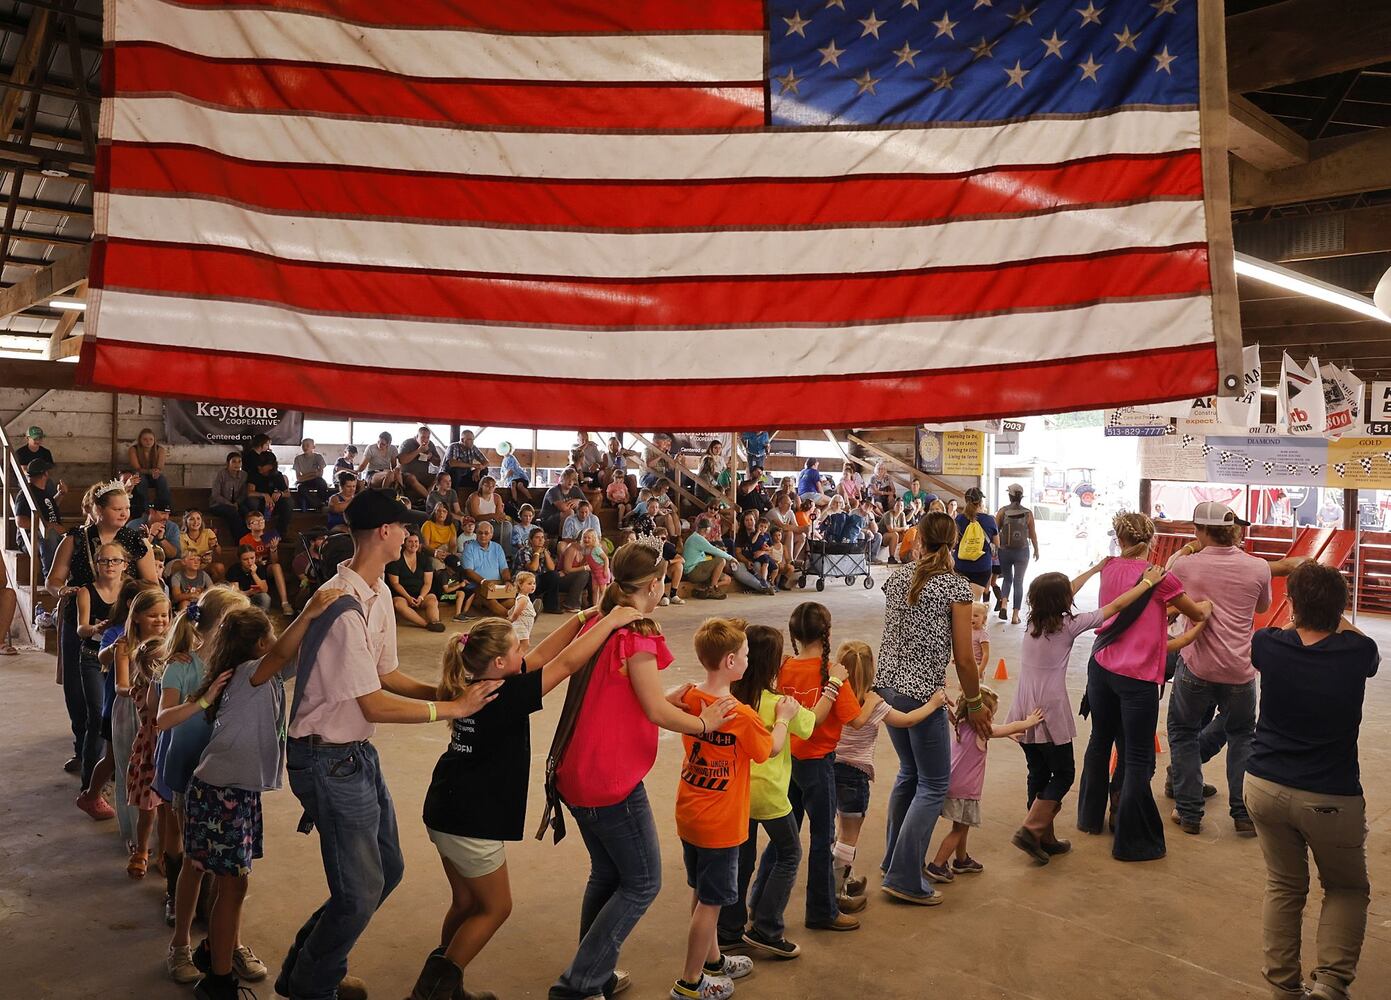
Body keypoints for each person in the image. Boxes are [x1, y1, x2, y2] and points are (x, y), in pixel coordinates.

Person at [277, 489, 500, 1000]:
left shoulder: (376, 596)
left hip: (354, 754)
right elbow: (372, 704)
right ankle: (314, 984)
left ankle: (306, 969)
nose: (409, 535)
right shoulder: (345, 607)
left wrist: (443, 692)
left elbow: (388, 674)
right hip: (327, 756)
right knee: (358, 895)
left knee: (386, 871)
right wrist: (452, 709)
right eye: (403, 527)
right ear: (383, 532)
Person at [408, 606, 642, 1000]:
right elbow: (565, 662)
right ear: (500, 661)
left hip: (443, 809)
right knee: (496, 907)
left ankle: (448, 986)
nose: (525, 652)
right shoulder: (508, 695)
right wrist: (610, 623)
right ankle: (431, 994)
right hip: (471, 820)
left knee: (466, 902)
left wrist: (583, 616)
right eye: (518, 648)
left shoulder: (475, 680)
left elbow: (542, 656)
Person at [542, 543, 738, 1000]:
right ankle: (579, 984)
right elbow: (655, 711)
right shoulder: (639, 632)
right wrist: (703, 724)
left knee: (608, 875)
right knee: (645, 881)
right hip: (609, 779)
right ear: (654, 584)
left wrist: (670, 699)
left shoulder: (600, 619)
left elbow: (628, 696)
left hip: (576, 769)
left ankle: (594, 972)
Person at [183, 590, 345, 1000]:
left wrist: (324, 620)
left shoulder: (262, 675)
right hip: (222, 795)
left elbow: (296, 654)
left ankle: (213, 951)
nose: (277, 646)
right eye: (272, 638)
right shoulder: (249, 674)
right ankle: (218, 981)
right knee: (233, 887)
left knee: (233, 886)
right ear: (258, 646)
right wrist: (309, 611)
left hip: (236, 793)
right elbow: (284, 652)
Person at [1245, 563, 1377, 1000]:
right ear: (1341, 607)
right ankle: (1330, 984)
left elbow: (1283, 630)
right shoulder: (1358, 653)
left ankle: (1284, 986)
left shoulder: (1268, 643)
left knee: (1284, 884)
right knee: (1345, 888)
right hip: (1330, 795)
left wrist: (1301, 612)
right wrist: (1331, 610)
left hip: (1263, 784)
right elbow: (1358, 640)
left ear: (1294, 605)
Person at [1006, 564, 1165, 864]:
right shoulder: (1069, 625)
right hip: (1049, 710)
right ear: (1064, 602)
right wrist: (1146, 582)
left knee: (1038, 773)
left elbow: (1062, 591)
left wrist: (1095, 570)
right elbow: (1116, 606)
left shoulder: (1031, 622)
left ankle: (1043, 837)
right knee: (1064, 773)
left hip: (1023, 707)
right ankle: (1031, 829)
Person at [1077, 512, 1211, 861]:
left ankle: (1089, 818)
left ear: (1118, 539)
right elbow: (1193, 614)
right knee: (1138, 756)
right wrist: (1204, 612)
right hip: (1136, 676)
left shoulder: (1108, 569)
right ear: (1150, 540)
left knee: (1100, 740)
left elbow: (1128, 607)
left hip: (1102, 664)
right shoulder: (1159, 578)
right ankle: (1131, 837)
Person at [875, 511, 991, 905]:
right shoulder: (956, 589)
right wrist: (974, 702)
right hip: (922, 695)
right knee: (934, 783)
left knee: (910, 773)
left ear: (918, 539)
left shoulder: (897, 580)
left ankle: (894, 861)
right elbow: (964, 658)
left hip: (887, 690)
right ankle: (905, 876)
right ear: (953, 543)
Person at [670, 618, 772, 1000]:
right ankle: (690, 983)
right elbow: (768, 751)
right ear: (730, 661)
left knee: (701, 893)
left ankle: (712, 962)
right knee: (710, 904)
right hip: (720, 824)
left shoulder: (688, 697)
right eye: (744, 655)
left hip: (690, 812)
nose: (748, 659)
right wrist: (784, 721)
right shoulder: (740, 714)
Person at [156, 586, 253, 985]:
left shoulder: (245, 666)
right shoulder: (181, 665)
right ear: (216, 627)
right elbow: (163, 719)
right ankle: (179, 944)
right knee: (197, 863)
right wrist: (204, 697)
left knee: (233, 869)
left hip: (230, 776)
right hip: (190, 775)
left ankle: (228, 943)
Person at [717, 624, 826, 960]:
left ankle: (728, 930)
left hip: (737, 792)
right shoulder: (781, 704)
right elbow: (810, 726)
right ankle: (766, 926)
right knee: (790, 853)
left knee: (742, 859)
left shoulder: (729, 698)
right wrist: (833, 685)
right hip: (770, 795)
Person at [1166, 501, 1272, 837]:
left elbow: (1166, 587)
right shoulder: (1258, 567)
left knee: (1182, 734)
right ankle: (1242, 815)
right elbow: (1263, 606)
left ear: (1199, 532)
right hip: (1240, 669)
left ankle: (1189, 812)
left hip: (1197, 667)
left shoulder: (1186, 567)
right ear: (1233, 531)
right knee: (1242, 737)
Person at [47, 480, 158, 783]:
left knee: (118, 688)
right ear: (99, 510)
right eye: (117, 508)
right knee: (77, 689)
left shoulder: (136, 541)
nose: (124, 513)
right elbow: (53, 579)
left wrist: (131, 595)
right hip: (79, 622)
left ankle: (114, 753)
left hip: (121, 624)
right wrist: (63, 591)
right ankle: (84, 749)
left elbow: (152, 583)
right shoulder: (74, 538)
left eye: (127, 508)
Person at [776, 602, 865, 930]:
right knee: (822, 837)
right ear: (827, 632)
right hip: (817, 762)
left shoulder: (784, 666)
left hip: (789, 759)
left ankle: (762, 903)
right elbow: (854, 720)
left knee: (783, 835)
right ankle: (822, 910)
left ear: (794, 633)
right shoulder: (832, 673)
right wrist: (873, 701)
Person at [833, 641, 944, 900]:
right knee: (849, 835)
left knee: (839, 827)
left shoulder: (834, 697)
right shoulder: (875, 702)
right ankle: (837, 890)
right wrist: (933, 703)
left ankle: (841, 878)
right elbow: (908, 720)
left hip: (830, 768)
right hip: (855, 775)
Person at [924, 689, 1043, 883]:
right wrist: (1029, 722)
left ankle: (961, 860)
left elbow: (998, 729)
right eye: (991, 715)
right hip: (966, 791)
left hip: (950, 784)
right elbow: (1009, 726)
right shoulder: (983, 731)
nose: (992, 720)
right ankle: (937, 865)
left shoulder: (959, 724)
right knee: (959, 830)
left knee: (962, 825)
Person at [112, 587, 173, 876]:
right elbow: (120, 685)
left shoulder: (174, 645)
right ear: (136, 616)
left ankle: (163, 851)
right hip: (139, 722)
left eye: (165, 615)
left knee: (167, 804)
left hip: (167, 730)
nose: (161, 620)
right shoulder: (126, 645)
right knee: (147, 801)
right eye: (153, 615)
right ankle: (141, 848)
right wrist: (145, 687)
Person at [994, 483, 1040, 624]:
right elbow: (1032, 534)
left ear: (1009, 496)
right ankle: (1015, 616)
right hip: (1022, 551)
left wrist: (996, 549)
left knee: (1007, 579)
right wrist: (1037, 549)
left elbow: (995, 531)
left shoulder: (1002, 511)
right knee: (1018, 582)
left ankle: (1003, 605)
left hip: (1005, 551)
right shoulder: (1028, 513)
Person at [15, 457, 64, 575]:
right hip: (30, 537)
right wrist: (49, 526)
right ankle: (50, 577)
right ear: (45, 474)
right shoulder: (25, 493)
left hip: (51, 532)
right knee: (49, 535)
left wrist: (61, 494)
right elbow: (20, 521)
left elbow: (49, 507)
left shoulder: (44, 492)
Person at [387, 532, 444, 631]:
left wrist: (421, 597)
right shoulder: (395, 560)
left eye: (416, 541)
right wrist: (408, 598)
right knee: (398, 604)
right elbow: (395, 583)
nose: (414, 544)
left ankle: (435, 622)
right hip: (402, 594)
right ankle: (426, 625)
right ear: (404, 543)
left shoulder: (424, 559)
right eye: (410, 541)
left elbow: (428, 583)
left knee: (432, 600)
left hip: (421, 593)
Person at [239, 510, 293, 615]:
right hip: (253, 568)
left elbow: (274, 561)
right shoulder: (245, 540)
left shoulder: (270, 536)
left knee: (276, 566)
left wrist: (273, 549)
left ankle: (285, 603)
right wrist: (257, 561)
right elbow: (244, 559)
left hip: (266, 567)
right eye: (256, 521)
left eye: (262, 520)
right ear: (249, 526)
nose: (260, 522)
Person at [458, 520, 513, 618]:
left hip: (498, 584)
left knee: (511, 600)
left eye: (486, 533)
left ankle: (490, 614)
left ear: (491, 535)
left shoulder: (497, 547)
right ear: (476, 534)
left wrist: (507, 581)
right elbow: (468, 571)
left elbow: (504, 569)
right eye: (480, 533)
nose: (483, 535)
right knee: (489, 599)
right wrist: (484, 582)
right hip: (478, 585)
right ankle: (511, 617)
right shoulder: (469, 547)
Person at [952, 487, 998, 600]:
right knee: (975, 602)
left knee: (960, 601)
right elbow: (997, 545)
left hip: (960, 566)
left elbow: (953, 542)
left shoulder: (959, 519)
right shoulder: (990, 520)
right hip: (981, 567)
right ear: (981, 502)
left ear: (966, 501)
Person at [247, 451, 294, 539]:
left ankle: (279, 534)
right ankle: (256, 534)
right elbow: (250, 492)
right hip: (259, 504)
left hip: (274, 505)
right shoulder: (254, 474)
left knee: (289, 503)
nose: (259, 467)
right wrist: (264, 495)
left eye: (262, 465)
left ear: (270, 466)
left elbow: (288, 493)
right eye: (259, 465)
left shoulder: (277, 475)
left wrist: (280, 494)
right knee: (252, 501)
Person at [127, 427, 173, 516]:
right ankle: (145, 508)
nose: (148, 442)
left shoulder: (160, 449)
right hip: (141, 474)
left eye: (151, 439)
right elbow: (137, 468)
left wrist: (156, 471)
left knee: (162, 479)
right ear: (140, 440)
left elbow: (160, 467)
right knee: (141, 479)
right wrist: (150, 471)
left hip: (154, 475)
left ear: (154, 440)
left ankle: (164, 507)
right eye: (145, 439)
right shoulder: (133, 449)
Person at [208, 452, 253, 540]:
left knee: (246, 512)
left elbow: (243, 493)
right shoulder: (221, 474)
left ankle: (250, 538)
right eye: (234, 461)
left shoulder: (244, 475)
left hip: (236, 504)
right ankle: (240, 539)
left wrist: (237, 503)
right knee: (232, 512)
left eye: (239, 461)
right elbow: (215, 495)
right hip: (218, 505)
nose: (237, 464)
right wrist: (229, 504)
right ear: (228, 463)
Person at [398, 426, 442, 500]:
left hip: (424, 474)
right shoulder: (407, 443)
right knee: (412, 478)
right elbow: (402, 460)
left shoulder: (430, 444)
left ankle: (427, 499)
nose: (425, 440)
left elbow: (438, 462)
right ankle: (431, 499)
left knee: (440, 478)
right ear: (417, 436)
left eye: (428, 437)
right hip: (407, 474)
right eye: (423, 437)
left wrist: (431, 457)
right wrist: (418, 451)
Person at [540, 467, 586, 538]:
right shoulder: (554, 491)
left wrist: (579, 501)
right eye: (568, 479)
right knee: (570, 512)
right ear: (562, 479)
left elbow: (589, 507)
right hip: (547, 522)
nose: (570, 481)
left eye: (573, 479)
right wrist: (578, 504)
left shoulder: (576, 490)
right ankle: (563, 539)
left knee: (584, 511)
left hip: (567, 521)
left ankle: (581, 537)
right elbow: (563, 508)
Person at [181, 510, 225, 582]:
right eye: (192, 519)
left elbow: (219, 552)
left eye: (198, 519)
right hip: (190, 566)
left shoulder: (208, 532)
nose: (196, 522)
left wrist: (215, 545)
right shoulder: (182, 536)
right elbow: (185, 556)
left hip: (205, 565)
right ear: (186, 521)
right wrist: (201, 558)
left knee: (219, 567)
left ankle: (215, 591)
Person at [225, 545, 272, 611]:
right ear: (240, 560)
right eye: (245, 559)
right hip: (240, 599)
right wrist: (248, 593)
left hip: (255, 598)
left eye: (252, 558)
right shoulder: (234, 569)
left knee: (265, 597)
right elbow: (234, 593)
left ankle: (262, 618)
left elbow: (265, 590)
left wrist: (254, 573)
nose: (250, 562)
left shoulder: (259, 568)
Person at [445, 429, 490, 494]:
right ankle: (453, 496)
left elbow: (486, 462)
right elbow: (452, 463)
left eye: (473, 440)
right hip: (450, 479)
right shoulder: (453, 446)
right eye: (470, 440)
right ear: (462, 440)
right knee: (456, 470)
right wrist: (474, 466)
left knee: (484, 469)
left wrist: (478, 469)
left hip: (465, 477)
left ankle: (477, 495)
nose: (472, 442)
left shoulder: (473, 448)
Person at [293, 438, 329, 511]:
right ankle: (319, 505)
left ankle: (321, 502)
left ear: (313, 447)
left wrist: (305, 476)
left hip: (315, 480)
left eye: (307, 445)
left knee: (322, 483)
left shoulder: (318, 457)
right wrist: (313, 473)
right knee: (300, 487)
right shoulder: (298, 458)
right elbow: (299, 478)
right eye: (303, 446)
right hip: (304, 482)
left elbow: (320, 474)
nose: (305, 448)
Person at [496, 441, 531, 513]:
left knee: (520, 485)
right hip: (512, 480)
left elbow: (510, 471)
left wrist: (503, 480)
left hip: (521, 478)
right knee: (513, 484)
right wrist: (502, 480)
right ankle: (514, 501)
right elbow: (503, 472)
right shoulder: (504, 460)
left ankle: (530, 499)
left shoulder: (511, 458)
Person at [508, 572, 538, 654]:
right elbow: (516, 613)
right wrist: (511, 619)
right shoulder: (523, 599)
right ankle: (518, 658)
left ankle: (517, 657)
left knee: (521, 643)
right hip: (520, 624)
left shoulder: (526, 597)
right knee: (525, 644)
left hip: (526, 624)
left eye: (534, 583)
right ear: (520, 585)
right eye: (529, 583)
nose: (533, 586)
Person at [969, 603, 990, 680]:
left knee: (974, 689)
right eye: (970, 615)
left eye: (975, 616)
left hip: (977, 666)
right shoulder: (968, 631)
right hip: (968, 665)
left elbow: (986, 654)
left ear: (984, 619)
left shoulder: (982, 634)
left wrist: (980, 670)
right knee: (962, 688)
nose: (971, 618)